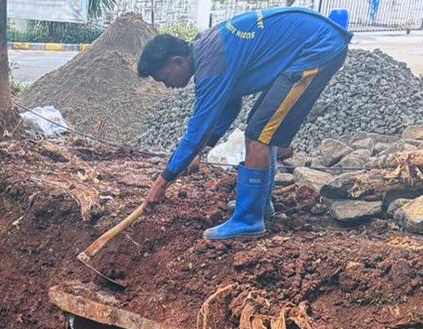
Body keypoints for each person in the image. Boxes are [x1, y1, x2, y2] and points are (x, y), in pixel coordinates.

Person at [137, 8, 351, 240]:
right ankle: (259, 205)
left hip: (317, 49)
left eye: (164, 78)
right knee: (259, 128)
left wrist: (163, 180)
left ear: (177, 62)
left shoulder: (211, 66)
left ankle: (249, 220)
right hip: (312, 43)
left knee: (259, 134)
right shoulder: (206, 51)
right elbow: (231, 105)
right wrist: (204, 149)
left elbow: (197, 130)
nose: (167, 86)